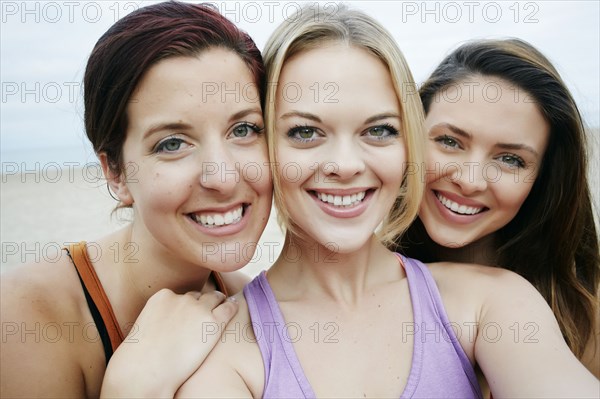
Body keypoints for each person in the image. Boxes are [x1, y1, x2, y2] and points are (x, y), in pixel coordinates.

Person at [175, 4, 599, 398]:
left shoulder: (493, 302)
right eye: (305, 132)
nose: (345, 165)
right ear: (264, 146)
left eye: (378, 131)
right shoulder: (226, 346)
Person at [0, 2, 272, 398]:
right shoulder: (27, 318)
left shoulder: (249, 304)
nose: (223, 176)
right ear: (116, 171)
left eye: (244, 129)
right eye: (173, 143)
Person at [392, 38, 600, 379]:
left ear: (542, 179)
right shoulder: (365, 283)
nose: (471, 180)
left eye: (510, 159)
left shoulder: (583, 309)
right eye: (449, 141)